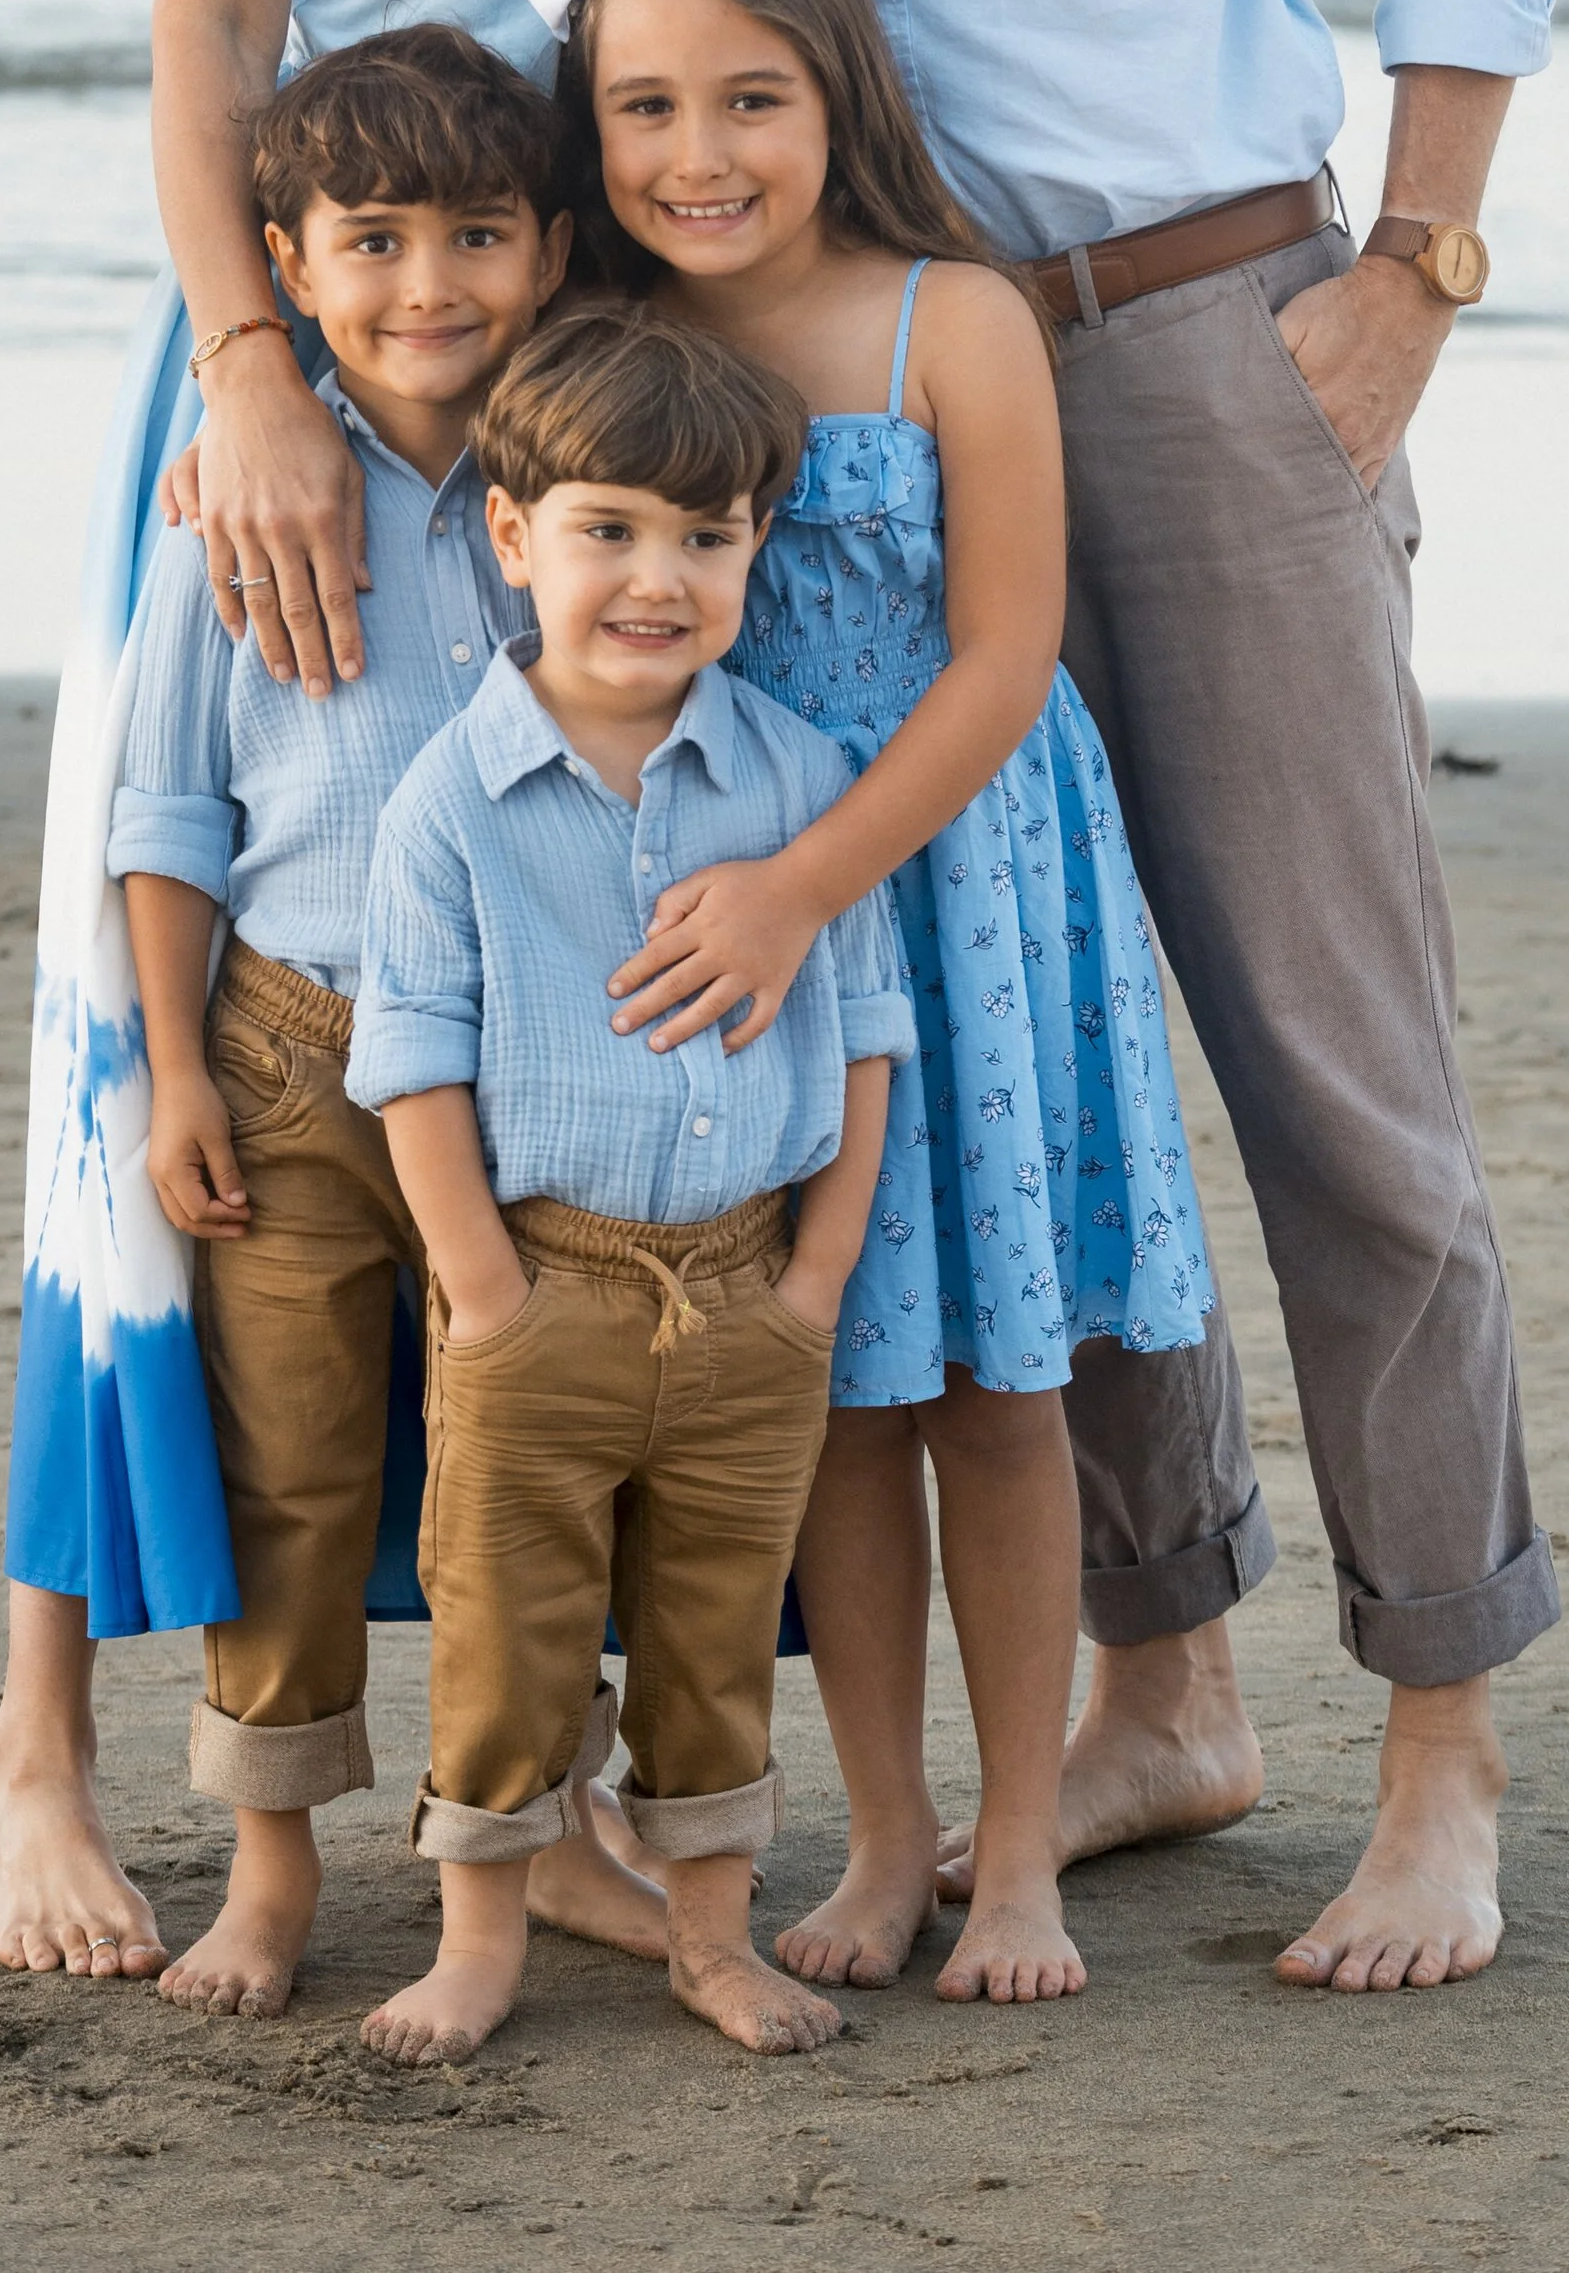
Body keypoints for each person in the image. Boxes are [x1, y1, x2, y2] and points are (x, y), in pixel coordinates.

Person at [0, 0, 1334, 1976]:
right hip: (319, 399)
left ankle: (551, 1750)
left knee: (552, 1105)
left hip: (602, 449)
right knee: (181, 1086)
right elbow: (211, 22)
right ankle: (43, 1746)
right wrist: (241, 364)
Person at [678, 0, 1562, 1995]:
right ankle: (1167, 1683)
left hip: (1207, 343)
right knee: (1035, 1074)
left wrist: (1416, 256)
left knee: (1337, 1074)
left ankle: (1436, 1743)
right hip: (880, 395)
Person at [556, 0, 1215, 2005]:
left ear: (836, 88)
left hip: (947, 910)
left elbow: (1007, 652)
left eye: (749, 97)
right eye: (643, 105)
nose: (696, 153)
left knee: (997, 1391)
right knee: (825, 1385)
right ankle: (883, 1833)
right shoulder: (613, 345)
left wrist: (805, 885)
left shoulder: (955, 319)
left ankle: (1019, 1850)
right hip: (739, 933)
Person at [106, 22, 680, 2013]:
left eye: (476, 235)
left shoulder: (577, 488)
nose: (425, 287)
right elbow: (168, 808)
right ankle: (268, 1877)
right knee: (290, 1477)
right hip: (282, 1057)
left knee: (523, 1490)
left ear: (547, 250)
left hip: (528, 1082)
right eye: (369, 241)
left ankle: (507, 1881)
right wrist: (173, 1065)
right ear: (284, 260)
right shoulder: (238, 502)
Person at [346, 310, 912, 2063]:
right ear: (513, 537)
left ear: (755, 546)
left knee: (714, 1632)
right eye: (608, 528)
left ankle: (713, 1939)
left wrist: (816, 1278)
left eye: (706, 534)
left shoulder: (793, 778)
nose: (657, 576)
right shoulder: (450, 799)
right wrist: (484, 1294)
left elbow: (866, 1029)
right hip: (545, 1287)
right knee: (506, 1629)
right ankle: (482, 1937)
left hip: (749, 1292)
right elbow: (412, 1060)